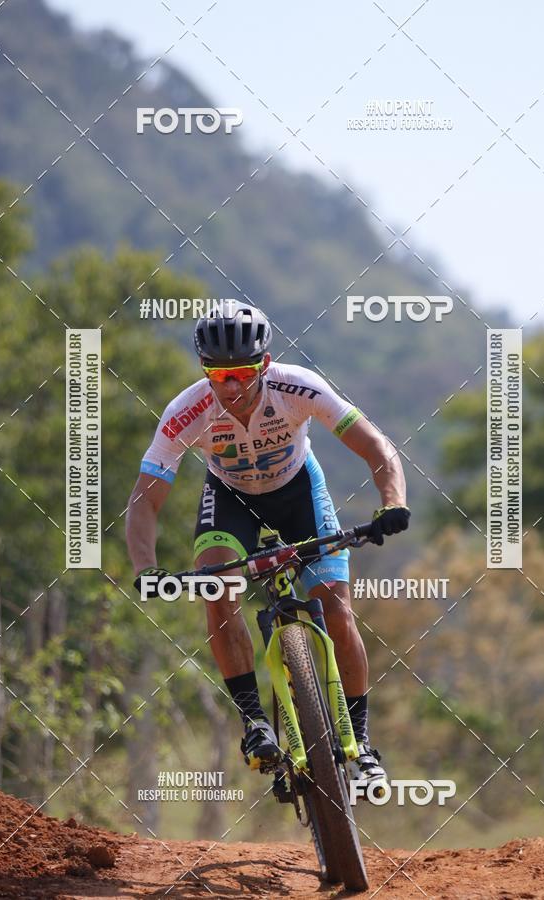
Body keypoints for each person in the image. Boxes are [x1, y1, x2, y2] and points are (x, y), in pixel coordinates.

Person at [126, 300, 409, 789]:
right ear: (204, 371)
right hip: (229, 499)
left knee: (337, 610)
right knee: (219, 592)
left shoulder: (298, 387)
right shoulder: (186, 411)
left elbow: (376, 446)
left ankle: (359, 741)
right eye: (218, 375)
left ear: (265, 364)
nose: (231, 386)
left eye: (241, 372)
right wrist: (147, 569)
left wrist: (392, 503)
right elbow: (144, 501)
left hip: (300, 492)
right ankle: (255, 721)